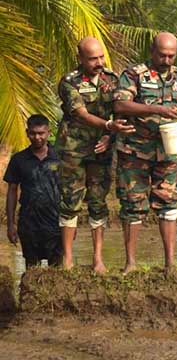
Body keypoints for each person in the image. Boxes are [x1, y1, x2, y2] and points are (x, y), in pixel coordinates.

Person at [113, 32, 177, 273]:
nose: (167, 60)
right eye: (162, 55)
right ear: (152, 51)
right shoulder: (133, 75)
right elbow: (120, 104)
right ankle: (130, 263)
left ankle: (170, 263)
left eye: (171, 56)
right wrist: (156, 108)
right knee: (132, 204)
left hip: (167, 152)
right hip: (135, 151)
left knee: (168, 203)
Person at [55, 37, 134, 273]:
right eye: (92, 59)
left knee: (98, 203)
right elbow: (80, 114)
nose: (99, 62)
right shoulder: (69, 82)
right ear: (80, 59)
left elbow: (120, 112)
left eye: (101, 57)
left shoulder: (113, 79)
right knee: (70, 201)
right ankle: (67, 259)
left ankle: (98, 259)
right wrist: (109, 127)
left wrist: (109, 136)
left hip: (101, 151)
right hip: (73, 150)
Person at [4, 115, 62, 268]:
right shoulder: (18, 159)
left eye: (41, 133)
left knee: (56, 270)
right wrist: (10, 224)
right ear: (27, 132)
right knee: (31, 267)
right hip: (29, 223)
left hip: (55, 222)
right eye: (33, 133)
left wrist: (70, 224)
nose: (37, 137)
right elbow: (12, 191)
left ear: (49, 132)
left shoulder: (59, 157)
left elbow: (69, 190)